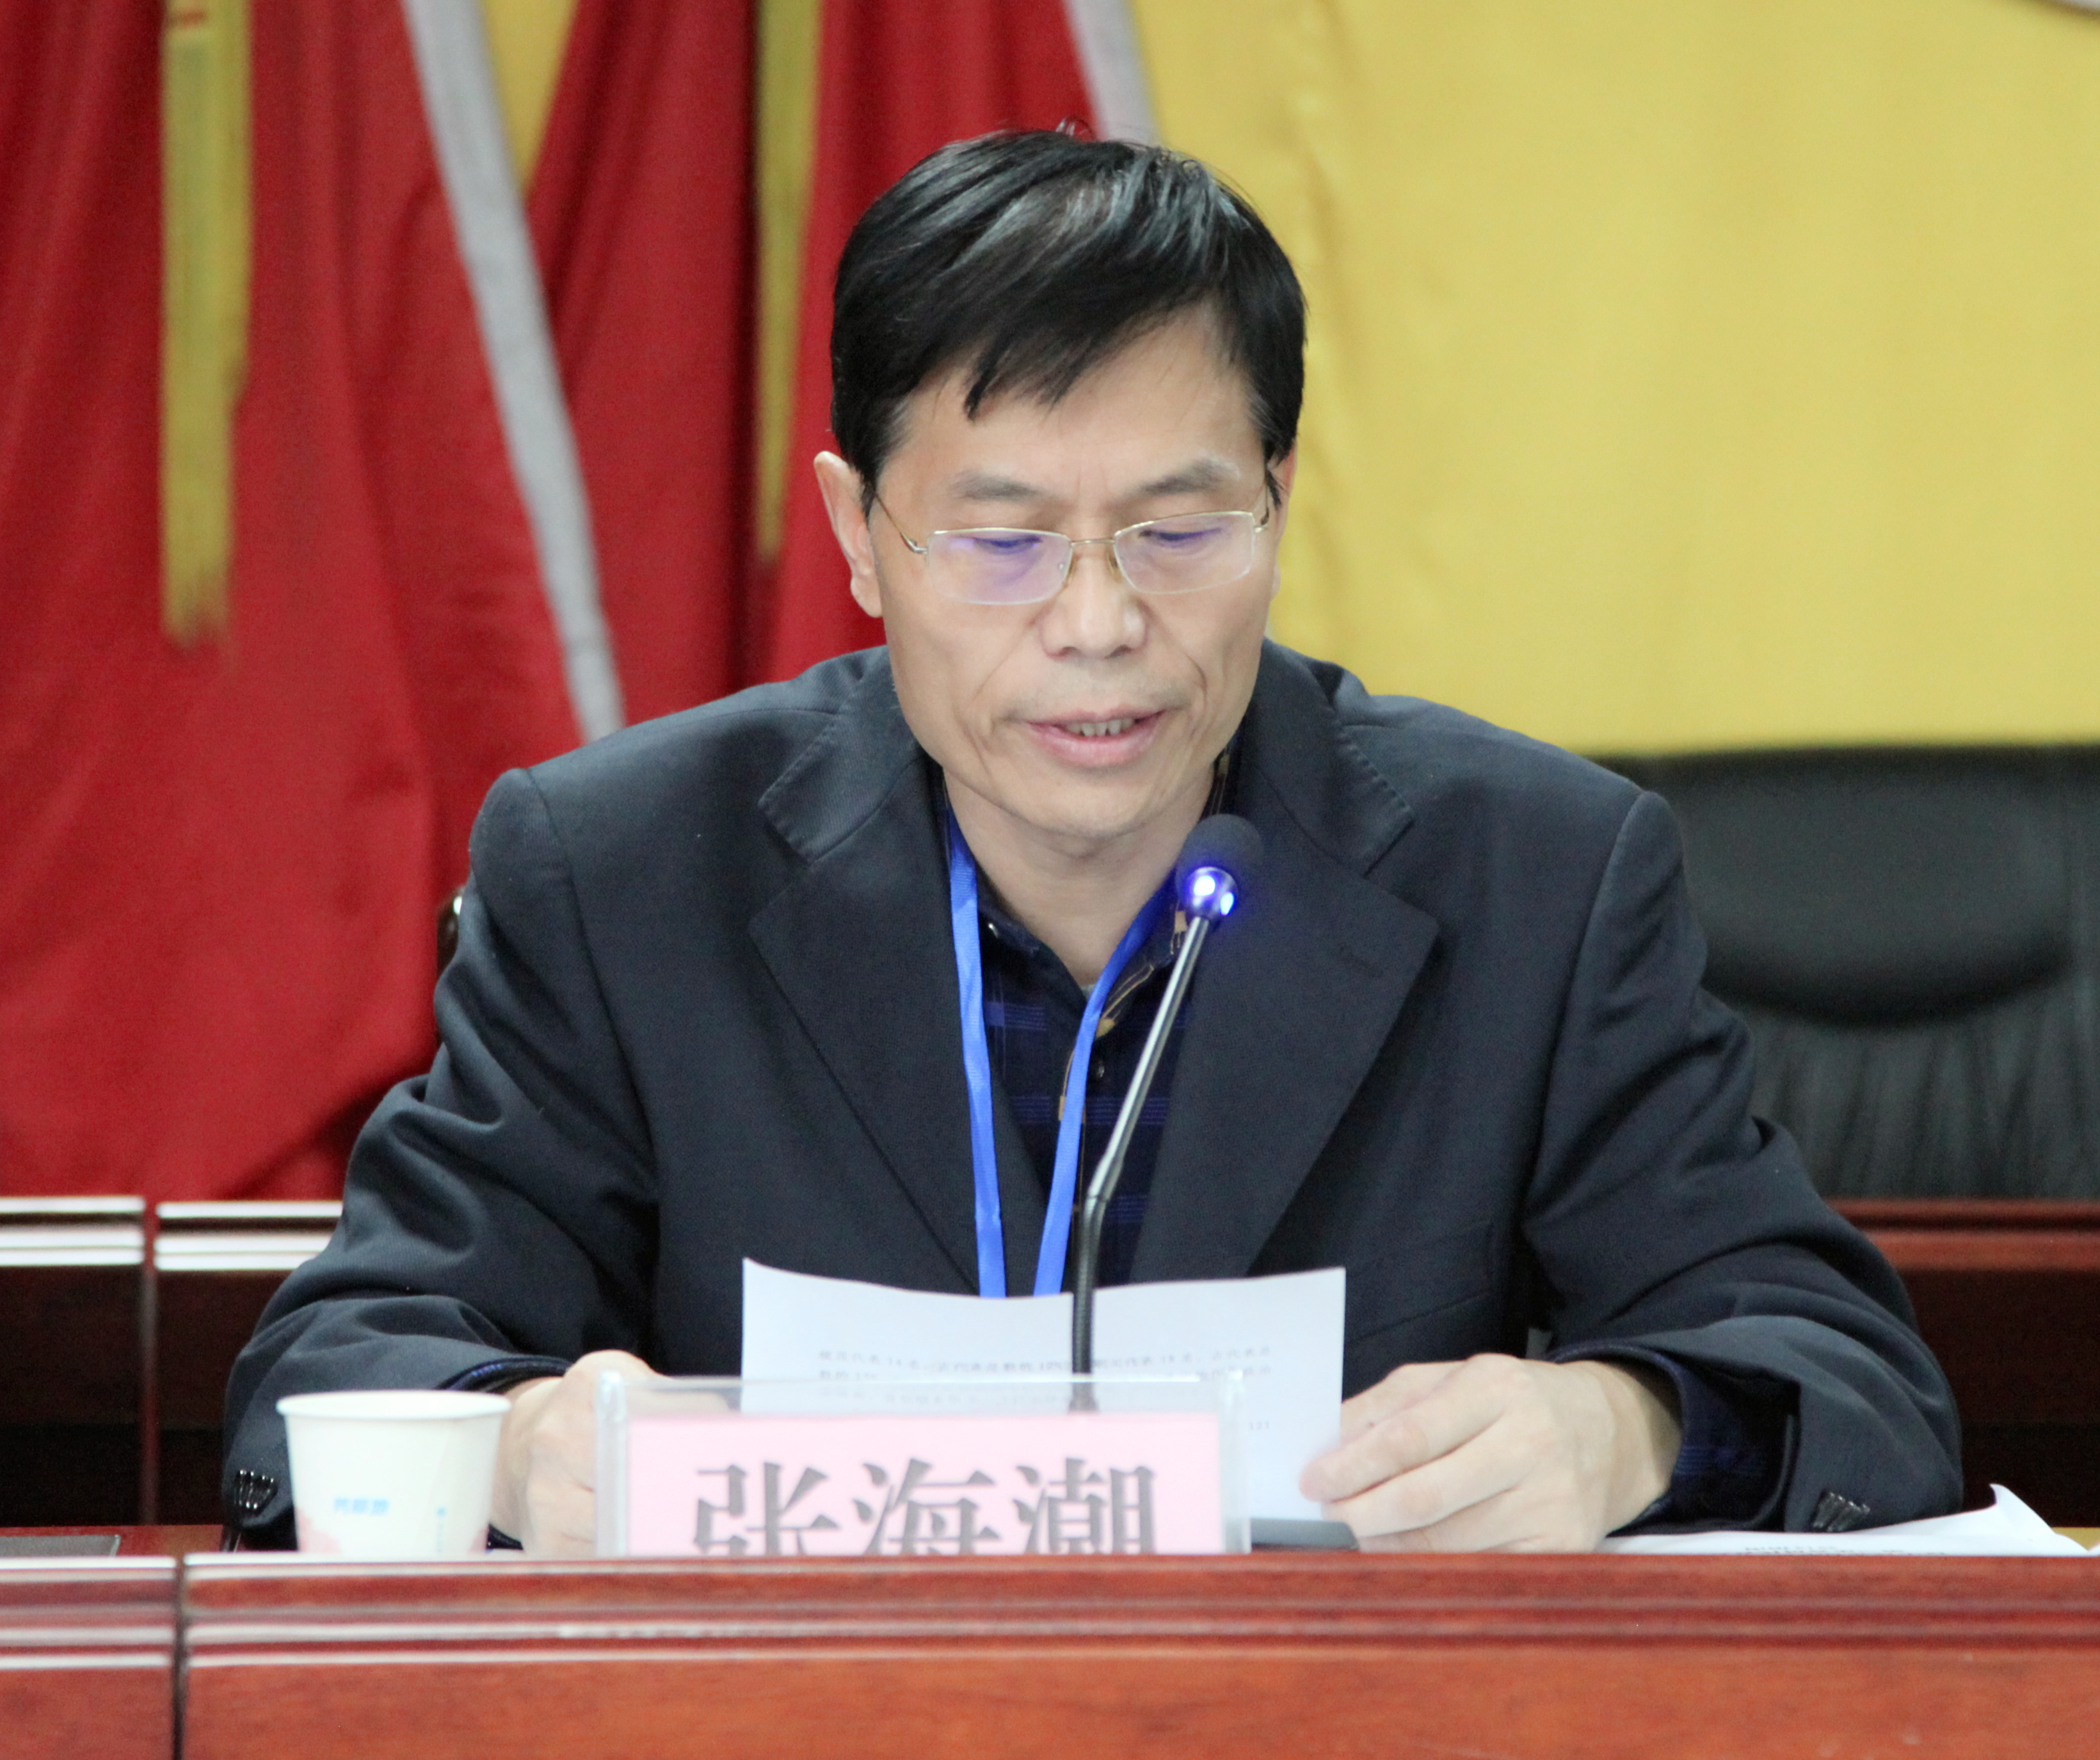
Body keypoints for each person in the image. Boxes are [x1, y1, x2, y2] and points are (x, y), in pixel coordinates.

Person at [224, 131, 1959, 1555]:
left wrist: (1621, 1427)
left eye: (1178, 529)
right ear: (858, 533)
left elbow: (1854, 1382)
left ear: (1277, 500)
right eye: (1002, 542)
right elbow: (334, 1367)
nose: (1099, 621)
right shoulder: (623, 874)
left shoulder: (1534, 877)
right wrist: (524, 1446)